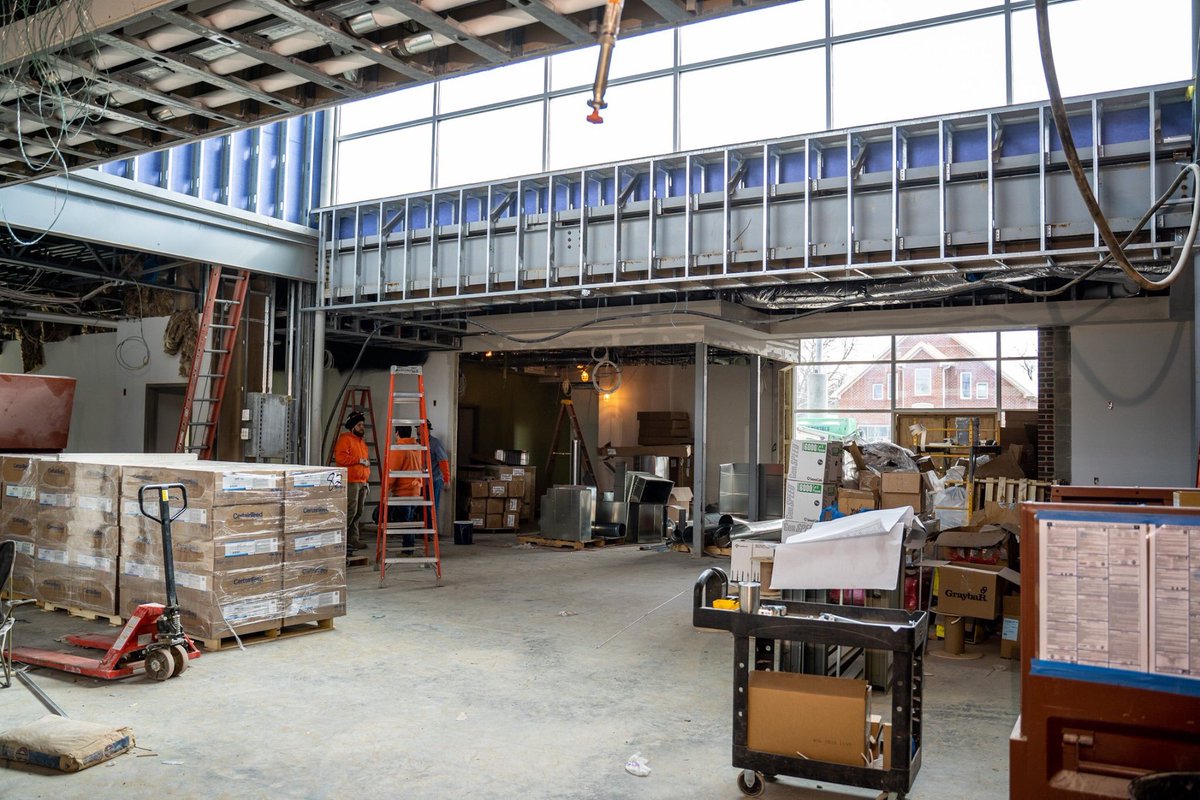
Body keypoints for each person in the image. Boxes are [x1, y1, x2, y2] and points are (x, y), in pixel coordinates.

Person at [333, 411, 370, 555]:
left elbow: (364, 462)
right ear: (352, 426)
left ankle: (353, 539)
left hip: (362, 481)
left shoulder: (362, 443)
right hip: (351, 481)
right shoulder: (345, 439)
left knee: (358, 512)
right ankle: (340, 539)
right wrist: (358, 460)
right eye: (359, 425)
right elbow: (340, 458)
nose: (362, 427)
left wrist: (366, 479)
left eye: (362, 425)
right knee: (351, 511)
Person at [388, 425, 424, 552]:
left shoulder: (399, 449)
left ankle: (408, 548)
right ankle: (409, 547)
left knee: (404, 520)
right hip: (415, 490)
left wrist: (386, 488)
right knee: (409, 520)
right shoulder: (417, 448)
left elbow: (393, 472)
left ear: (397, 433)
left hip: (403, 491)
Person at [426, 420, 450, 524]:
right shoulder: (418, 443)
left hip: (434, 480)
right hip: (423, 481)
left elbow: (443, 461)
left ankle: (432, 530)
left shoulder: (435, 444)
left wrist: (446, 479)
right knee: (423, 508)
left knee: (432, 507)